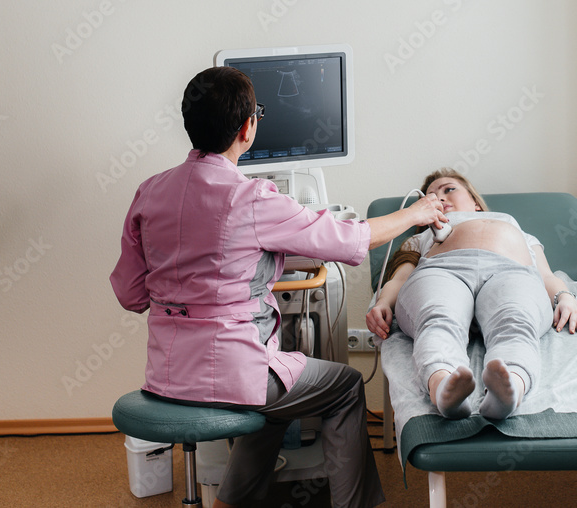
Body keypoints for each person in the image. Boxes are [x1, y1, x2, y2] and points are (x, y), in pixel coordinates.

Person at [110, 67, 445, 508]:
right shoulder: (251, 197)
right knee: (343, 386)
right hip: (232, 374)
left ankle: (231, 502)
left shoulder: (149, 191)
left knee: (277, 389)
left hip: (166, 377)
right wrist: (415, 213)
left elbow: (131, 295)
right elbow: (348, 239)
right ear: (247, 128)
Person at [365, 169, 577, 421]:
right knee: (438, 317)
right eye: (431, 196)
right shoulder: (421, 238)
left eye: (449, 189)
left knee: (515, 319)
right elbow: (399, 279)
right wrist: (383, 302)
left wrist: (565, 297)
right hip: (442, 271)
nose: (440, 198)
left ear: (475, 201)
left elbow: (546, 275)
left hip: (511, 272)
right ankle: (443, 388)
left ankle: (509, 390)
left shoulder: (514, 227)